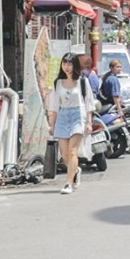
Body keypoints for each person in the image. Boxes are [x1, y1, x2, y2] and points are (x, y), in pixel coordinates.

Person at [48, 53, 90, 194]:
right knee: (64, 154)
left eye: (70, 63)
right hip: (63, 115)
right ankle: (75, 170)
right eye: (64, 63)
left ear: (75, 65)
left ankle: (68, 183)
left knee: (72, 151)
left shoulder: (82, 82)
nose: (67, 67)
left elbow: (89, 103)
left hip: (78, 115)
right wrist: (51, 125)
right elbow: (54, 106)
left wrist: (89, 122)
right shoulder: (58, 83)